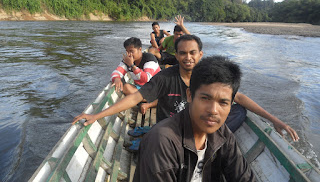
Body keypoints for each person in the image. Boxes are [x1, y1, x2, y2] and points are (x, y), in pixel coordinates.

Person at [73, 35, 299, 142]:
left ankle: (204, 141)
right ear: (176, 55)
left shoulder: (208, 76)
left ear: (200, 55)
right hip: (172, 132)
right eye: (182, 53)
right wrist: (97, 115)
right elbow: (134, 99)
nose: (188, 58)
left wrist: (274, 120)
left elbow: (238, 97)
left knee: (239, 110)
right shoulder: (165, 77)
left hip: (197, 128)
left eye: (193, 53)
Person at [133, 56, 255, 181]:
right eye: (205, 98)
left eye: (223, 103)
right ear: (190, 95)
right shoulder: (161, 142)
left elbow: (244, 177)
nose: (213, 110)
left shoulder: (222, 134)